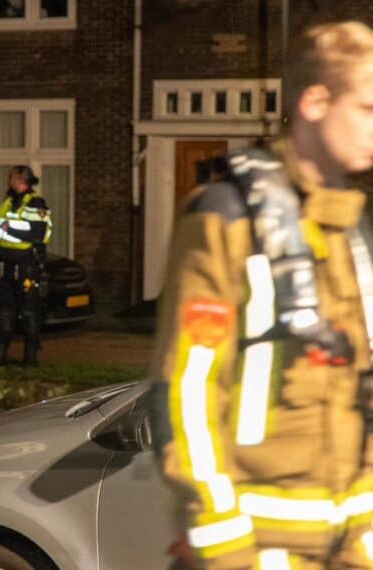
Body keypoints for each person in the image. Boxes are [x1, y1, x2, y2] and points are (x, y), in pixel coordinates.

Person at [149, 21, 373, 569]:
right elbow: (189, 396)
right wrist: (224, 544)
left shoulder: (355, 231)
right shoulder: (227, 219)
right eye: (367, 108)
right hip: (255, 552)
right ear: (315, 102)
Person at [0, 165, 52, 366]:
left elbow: (38, 234)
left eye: (11, 177)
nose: (9, 181)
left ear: (19, 179)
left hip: (26, 264)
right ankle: (0, 355)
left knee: (29, 311)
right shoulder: (8, 202)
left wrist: (9, 229)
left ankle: (31, 358)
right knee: (4, 310)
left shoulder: (36, 204)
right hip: (6, 263)